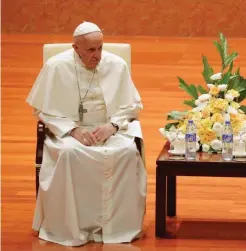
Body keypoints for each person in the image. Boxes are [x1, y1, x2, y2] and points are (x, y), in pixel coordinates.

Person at [26, 21, 147, 246]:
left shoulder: (116, 65)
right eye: (91, 50)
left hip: (109, 128)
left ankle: (116, 227)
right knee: (70, 154)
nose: (98, 55)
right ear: (76, 48)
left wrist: (113, 126)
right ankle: (75, 226)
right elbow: (42, 110)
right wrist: (72, 130)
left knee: (127, 153)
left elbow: (133, 105)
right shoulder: (56, 67)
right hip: (68, 130)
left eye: (100, 48)